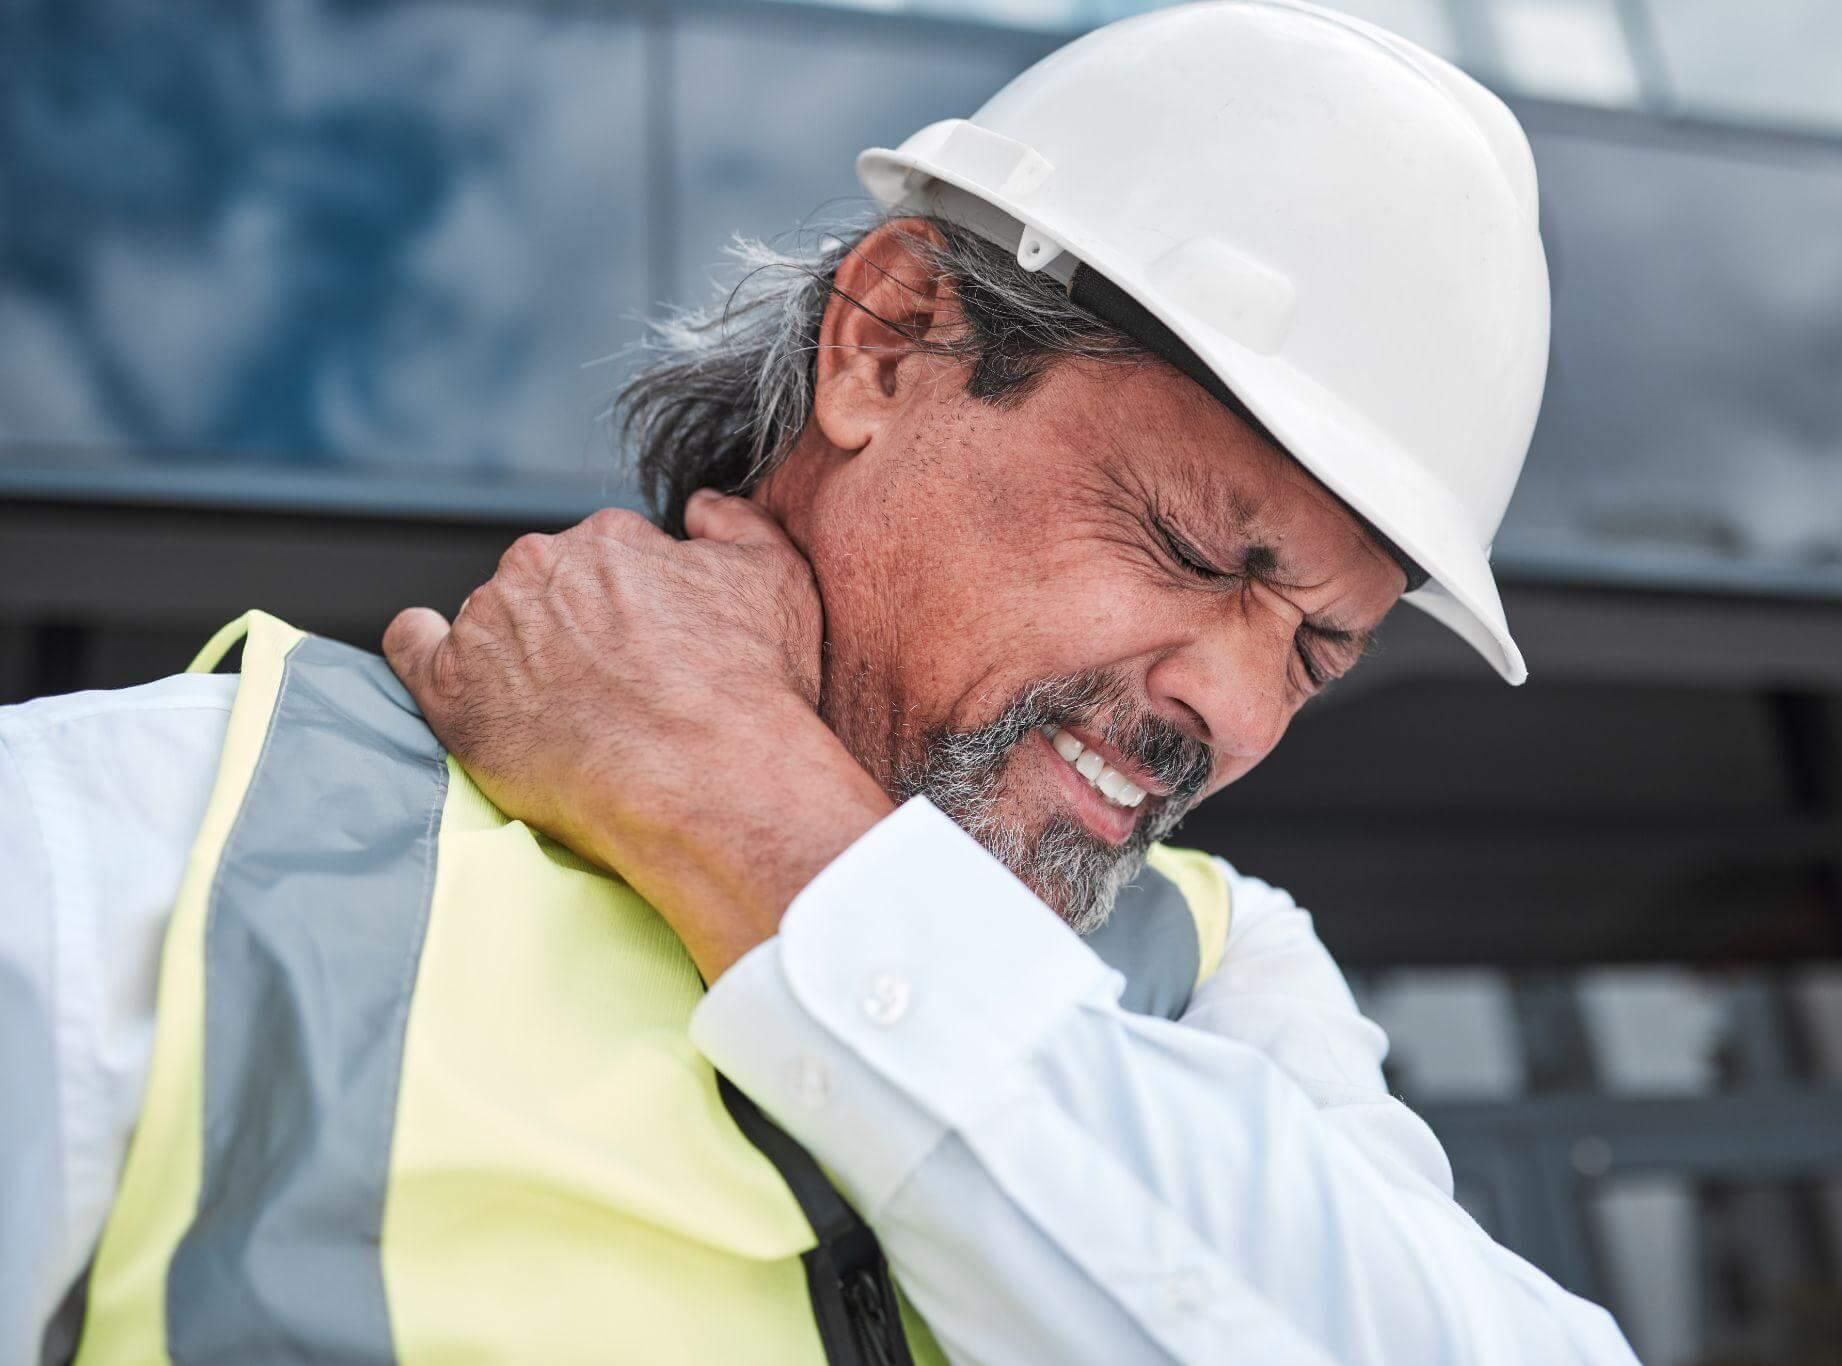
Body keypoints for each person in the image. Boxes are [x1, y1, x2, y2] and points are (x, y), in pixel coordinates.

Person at [0, 2, 1640, 1361]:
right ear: (895, 342)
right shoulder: (155, 844)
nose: (1230, 706)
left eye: (1316, 647)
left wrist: (753, 815)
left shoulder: (1218, 961)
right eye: (1204, 548)